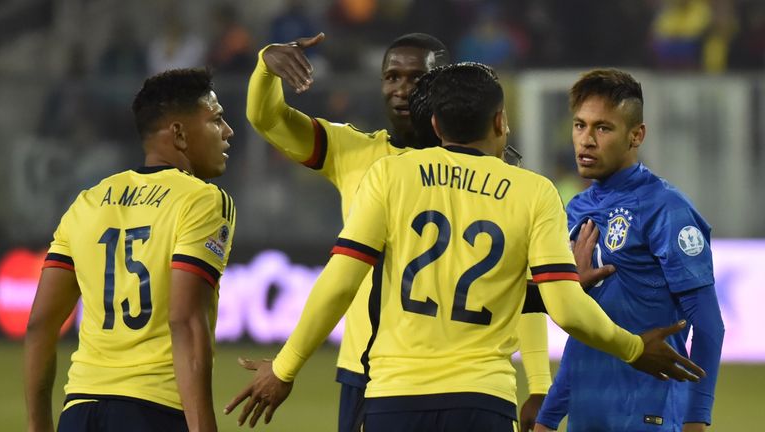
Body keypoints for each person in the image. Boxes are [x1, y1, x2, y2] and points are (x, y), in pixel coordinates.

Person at [224, 62, 704, 432]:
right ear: (499, 121)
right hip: (482, 401)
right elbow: (567, 310)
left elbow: (340, 282)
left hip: (394, 397)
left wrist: (284, 369)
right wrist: (634, 349)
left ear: (435, 124)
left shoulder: (389, 176)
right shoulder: (533, 191)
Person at [243, 32, 554, 432]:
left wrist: (540, 381)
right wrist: (265, 67)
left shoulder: (497, 179)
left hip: (457, 380)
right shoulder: (352, 151)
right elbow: (267, 118)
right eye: (392, 77)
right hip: (371, 374)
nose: (402, 89)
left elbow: (518, 289)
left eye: (417, 78)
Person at [24, 68, 236, 432]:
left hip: (80, 410)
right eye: (216, 120)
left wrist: (39, 426)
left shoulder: (87, 202)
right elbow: (184, 320)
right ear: (180, 134)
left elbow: (41, 325)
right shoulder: (201, 200)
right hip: (153, 411)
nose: (228, 132)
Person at [534, 69, 725, 432]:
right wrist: (549, 416)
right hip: (586, 415)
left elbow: (709, 326)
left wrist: (696, 420)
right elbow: (585, 328)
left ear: (636, 135)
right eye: (579, 125)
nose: (586, 140)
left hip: (646, 413)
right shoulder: (575, 209)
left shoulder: (665, 208)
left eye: (602, 128)